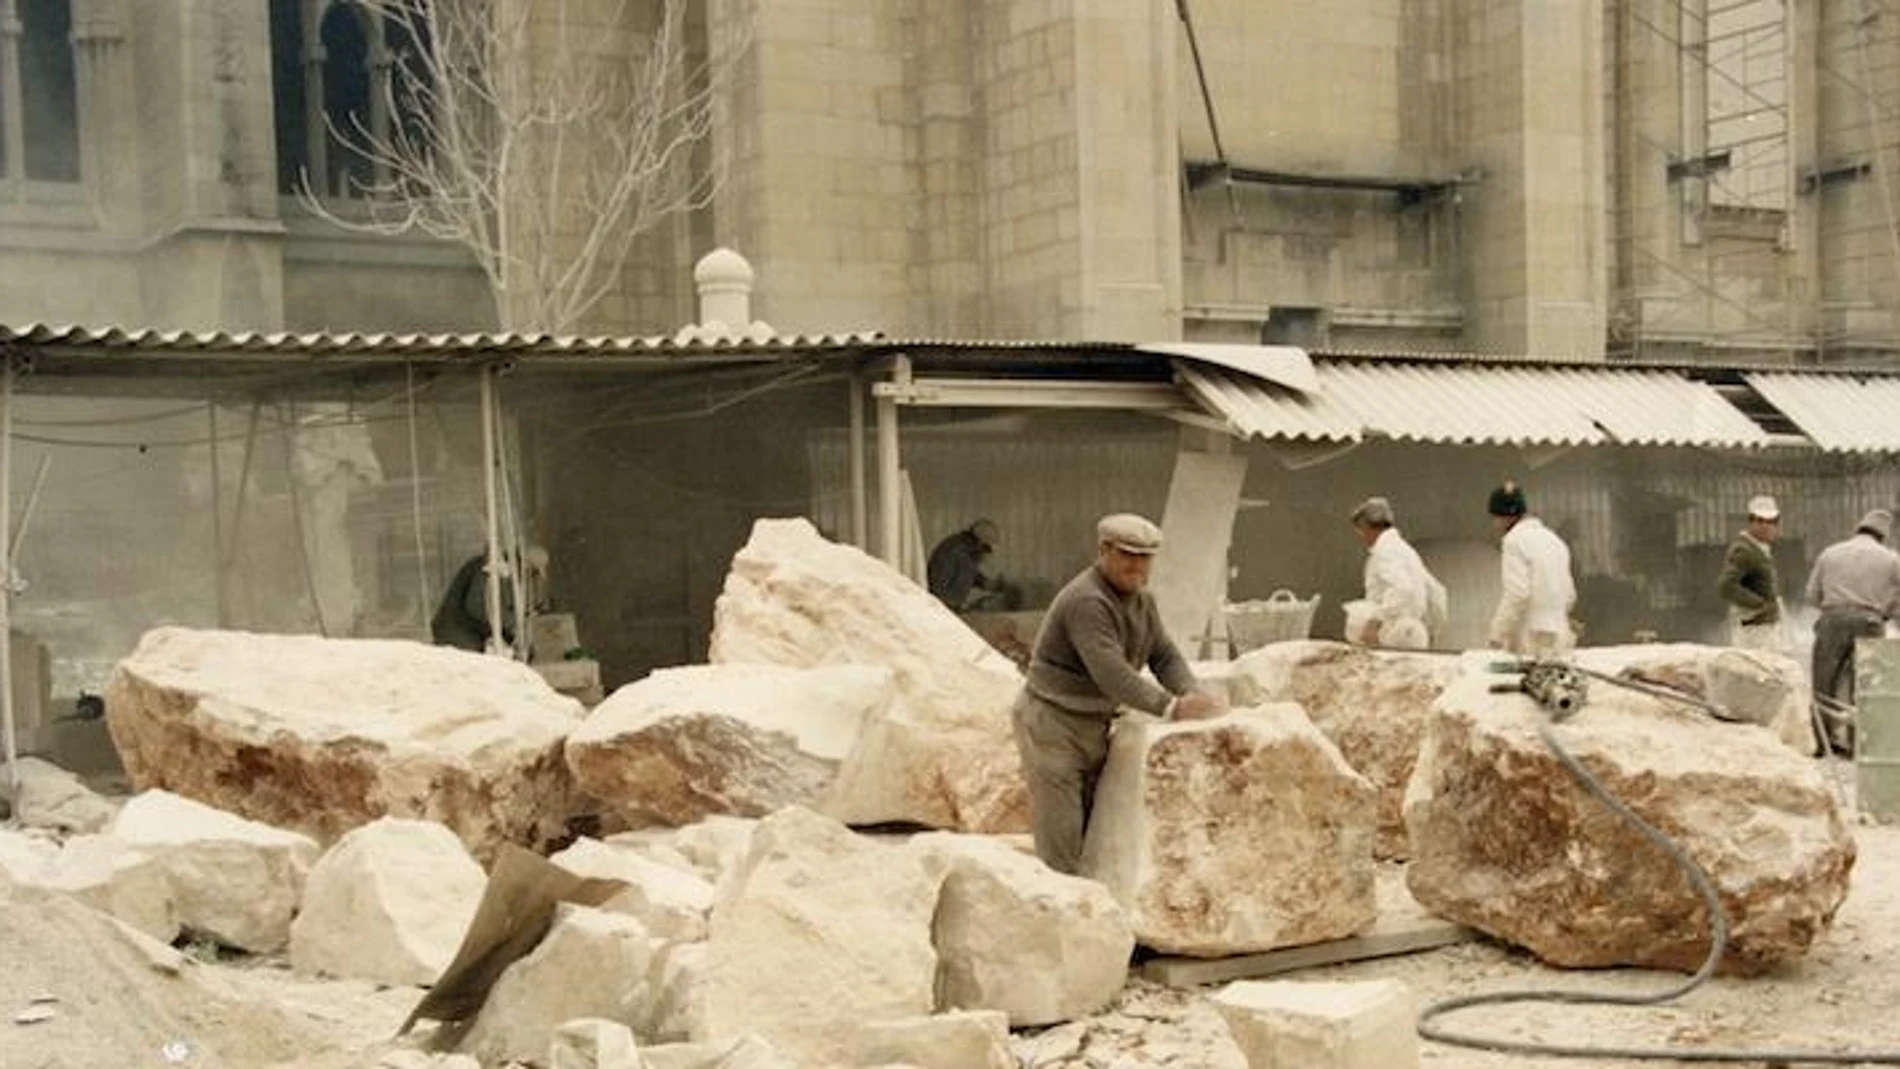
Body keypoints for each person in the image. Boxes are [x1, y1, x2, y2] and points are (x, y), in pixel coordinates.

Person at [1013, 513, 1228, 874]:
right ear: (1103, 551)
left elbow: (1164, 654)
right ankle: (1063, 920)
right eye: (1128, 555)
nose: (1137, 566)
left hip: (1094, 723)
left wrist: (1192, 692)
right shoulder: (1087, 601)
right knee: (1063, 838)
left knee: (1096, 830)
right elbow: (1111, 673)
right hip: (1054, 725)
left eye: (1145, 558)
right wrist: (1172, 707)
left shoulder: (1143, 601)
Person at [1804, 508, 1900, 751]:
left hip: (1832, 621)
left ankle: (1823, 742)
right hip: (1869, 623)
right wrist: (1886, 613)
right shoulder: (1890, 559)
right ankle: (1859, 744)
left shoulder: (1830, 553)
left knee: (1824, 683)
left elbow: (1811, 596)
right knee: (1865, 686)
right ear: (1882, 535)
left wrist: (1834, 609)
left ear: (1858, 528)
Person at [1485, 482, 1578, 656]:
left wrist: (1497, 633)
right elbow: (1570, 595)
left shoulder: (1514, 541)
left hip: (1532, 635)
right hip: (1560, 632)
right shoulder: (1554, 540)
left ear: (1504, 517)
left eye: (1494, 518)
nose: (1494, 524)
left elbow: (1518, 594)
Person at [1348, 496, 1448, 650]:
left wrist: (1375, 621)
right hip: (1414, 632)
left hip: (1395, 634)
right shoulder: (1405, 550)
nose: (1361, 536)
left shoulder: (1385, 551)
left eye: (1360, 530)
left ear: (1367, 526)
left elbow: (1402, 588)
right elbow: (1438, 592)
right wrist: (1432, 629)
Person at [431, 544, 549, 653]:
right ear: (523, 564)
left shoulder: (504, 573)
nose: (530, 578)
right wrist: (511, 622)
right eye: (532, 573)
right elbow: (477, 607)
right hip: (456, 633)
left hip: (469, 632)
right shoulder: (493, 568)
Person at [1717, 495, 1784, 652]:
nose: (1766, 526)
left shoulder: (1760, 548)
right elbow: (1726, 586)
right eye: (1760, 521)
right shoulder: (1744, 550)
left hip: (1763, 627)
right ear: (1751, 522)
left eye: (1771, 522)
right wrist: (1760, 605)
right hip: (1752, 628)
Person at [927, 519, 1011, 612]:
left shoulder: (963, 548)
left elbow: (969, 572)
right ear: (980, 543)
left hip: (947, 607)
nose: (984, 554)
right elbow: (938, 587)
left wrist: (988, 584)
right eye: (986, 549)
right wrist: (952, 608)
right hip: (942, 609)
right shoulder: (955, 551)